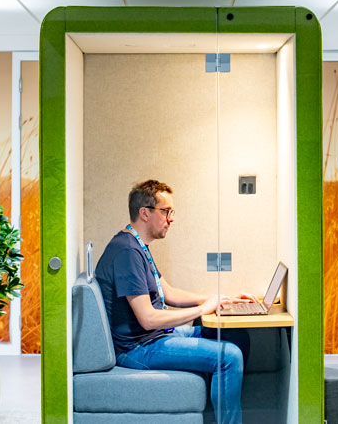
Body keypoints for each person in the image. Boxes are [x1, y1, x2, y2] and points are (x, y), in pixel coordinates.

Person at [95, 179, 254, 424]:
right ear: (145, 213)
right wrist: (202, 309)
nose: (172, 219)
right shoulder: (127, 252)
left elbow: (168, 293)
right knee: (229, 356)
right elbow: (148, 319)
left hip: (155, 337)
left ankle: (217, 414)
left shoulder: (138, 246)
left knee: (238, 337)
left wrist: (219, 298)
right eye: (166, 211)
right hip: (138, 348)